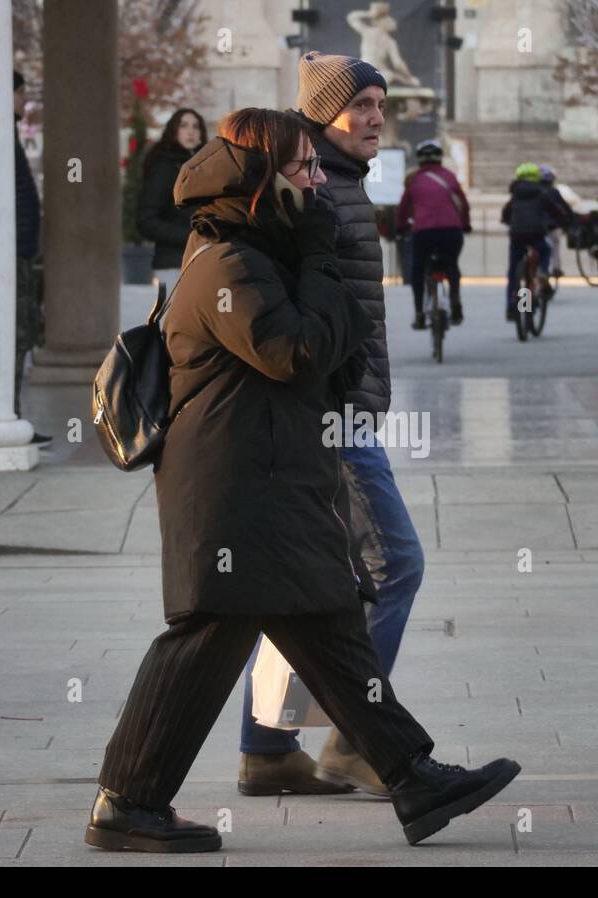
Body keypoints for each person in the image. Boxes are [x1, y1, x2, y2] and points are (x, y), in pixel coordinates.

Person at [86, 108, 520, 853]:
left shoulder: (263, 251)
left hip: (275, 478)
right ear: (261, 176)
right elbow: (296, 353)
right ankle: (126, 802)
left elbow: (335, 352)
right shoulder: (228, 262)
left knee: (328, 620)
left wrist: (322, 277)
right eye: (303, 169)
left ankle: (413, 776)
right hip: (234, 490)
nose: (318, 181)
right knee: (206, 638)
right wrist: (322, 264)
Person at [231, 51, 428, 800]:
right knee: (394, 566)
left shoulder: (338, 188)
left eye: (382, 103)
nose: (377, 116)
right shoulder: (319, 195)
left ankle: (270, 748)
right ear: (321, 117)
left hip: (337, 414)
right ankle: (355, 737)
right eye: (363, 105)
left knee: (308, 583)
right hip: (333, 420)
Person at [12, 72, 51, 446]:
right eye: (21, 93)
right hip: (11, 256)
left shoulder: (7, 135)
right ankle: (9, 414)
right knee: (18, 334)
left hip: (20, 252)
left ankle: (13, 414)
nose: (25, 101)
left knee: (23, 334)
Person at [395, 139, 470, 329]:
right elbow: (464, 204)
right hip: (451, 231)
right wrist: (465, 225)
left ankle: (419, 313)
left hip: (424, 232)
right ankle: (455, 302)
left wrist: (400, 227)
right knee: (452, 264)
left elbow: (403, 209)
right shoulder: (450, 177)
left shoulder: (414, 180)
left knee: (418, 270)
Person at [137, 108, 207, 298]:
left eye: (196, 126)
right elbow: (146, 220)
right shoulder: (164, 167)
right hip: (173, 264)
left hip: (203, 260)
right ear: (173, 131)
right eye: (184, 125)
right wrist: (190, 236)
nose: (191, 131)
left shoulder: (206, 167)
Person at [501, 161, 569, 322]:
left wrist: (506, 220)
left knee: (513, 271)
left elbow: (506, 213)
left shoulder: (515, 195)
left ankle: (513, 305)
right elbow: (556, 211)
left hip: (517, 235)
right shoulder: (541, 193)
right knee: (545, 250)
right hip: (536, 233)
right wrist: (563, 221)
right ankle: (542, 273)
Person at [538, 163, 573, 281]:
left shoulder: (534, 192)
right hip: (552, 226)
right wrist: (568, 222)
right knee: (554, 247)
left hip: (536, 226)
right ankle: (556, 268)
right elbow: (563, 209)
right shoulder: (553, 192)